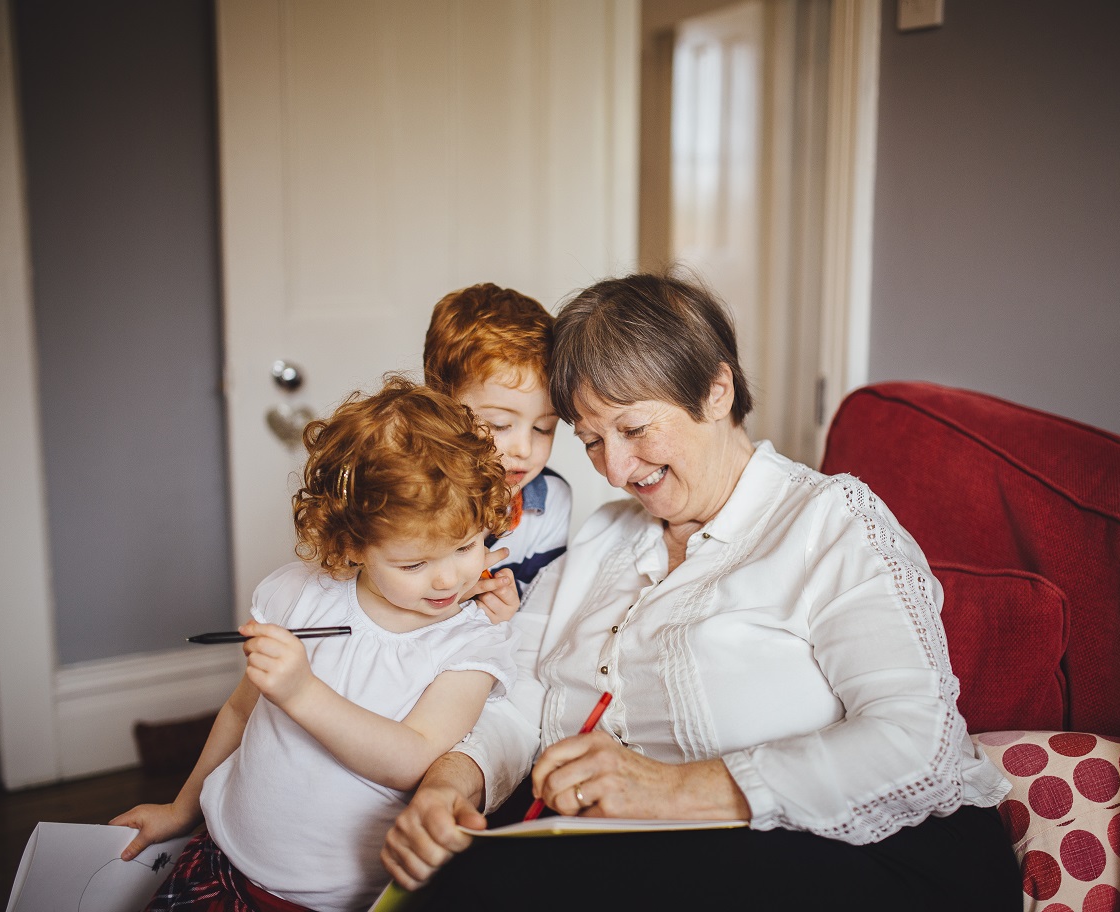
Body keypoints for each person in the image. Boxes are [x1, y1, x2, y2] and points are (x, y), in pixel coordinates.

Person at [380, 273, 1022, 910]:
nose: (617, 469)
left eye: (634, 430)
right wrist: (448, 787)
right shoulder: (603, 538)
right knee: (457, 881)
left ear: (717, 391)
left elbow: (918, 739)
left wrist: (671, 790)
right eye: (593, 441)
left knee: (492, 890)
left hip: (877, 856)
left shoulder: (832, 523)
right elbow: (521, 697)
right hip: (660, 854)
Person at [112, 375, 521, 912]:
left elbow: (413, 756)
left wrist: (303, 692)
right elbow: (240, 711)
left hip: (330, 902)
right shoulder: (299, 594)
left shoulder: (469, 642)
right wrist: (182, 808)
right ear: (353, 544)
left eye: (466, 547)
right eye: (414, 563)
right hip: (219, 858)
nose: (448, 580)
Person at [424, 283, 571, 596]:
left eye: (544, 428)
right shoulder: (401, 491)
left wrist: (502, 621)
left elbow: (536, 619)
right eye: (499, 424)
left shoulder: (549, 502)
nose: (524, 449)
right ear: (441, 406)